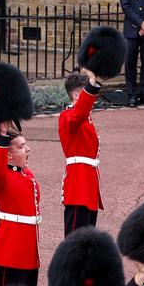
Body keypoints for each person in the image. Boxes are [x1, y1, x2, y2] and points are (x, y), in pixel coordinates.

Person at [0, 127, 41, 286]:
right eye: (21, 147)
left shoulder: (26, 175)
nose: (28, 149)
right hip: (9, 254)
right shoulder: (1, 178)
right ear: (8, 155)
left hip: (29, 254)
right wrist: (2, 138)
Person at [58, 69, 104, 232]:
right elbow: (79, 114)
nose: (93, 100)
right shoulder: (68, 116)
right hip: (78, 185)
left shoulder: (85, 118)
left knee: (88, 241)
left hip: (88, 184)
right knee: (75, 240)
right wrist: (91, 84)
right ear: (77, 95)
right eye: (87, 94)